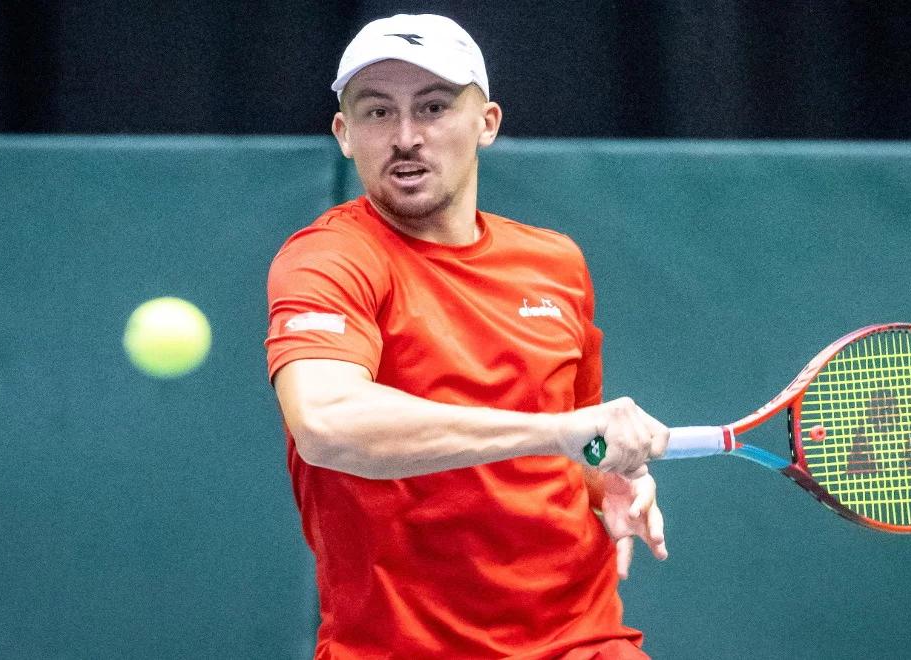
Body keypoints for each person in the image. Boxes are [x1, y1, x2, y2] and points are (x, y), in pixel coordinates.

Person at [265, 13, 670, 659]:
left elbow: (576, 431)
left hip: (583, 641)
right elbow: (327, 423)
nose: (405, 137)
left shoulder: (555, 263)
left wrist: (603, 474)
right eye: (376, 113)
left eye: (432, 107)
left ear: (487, 123)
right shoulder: (329, 259)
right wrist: (558, 434)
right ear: (343, 135)